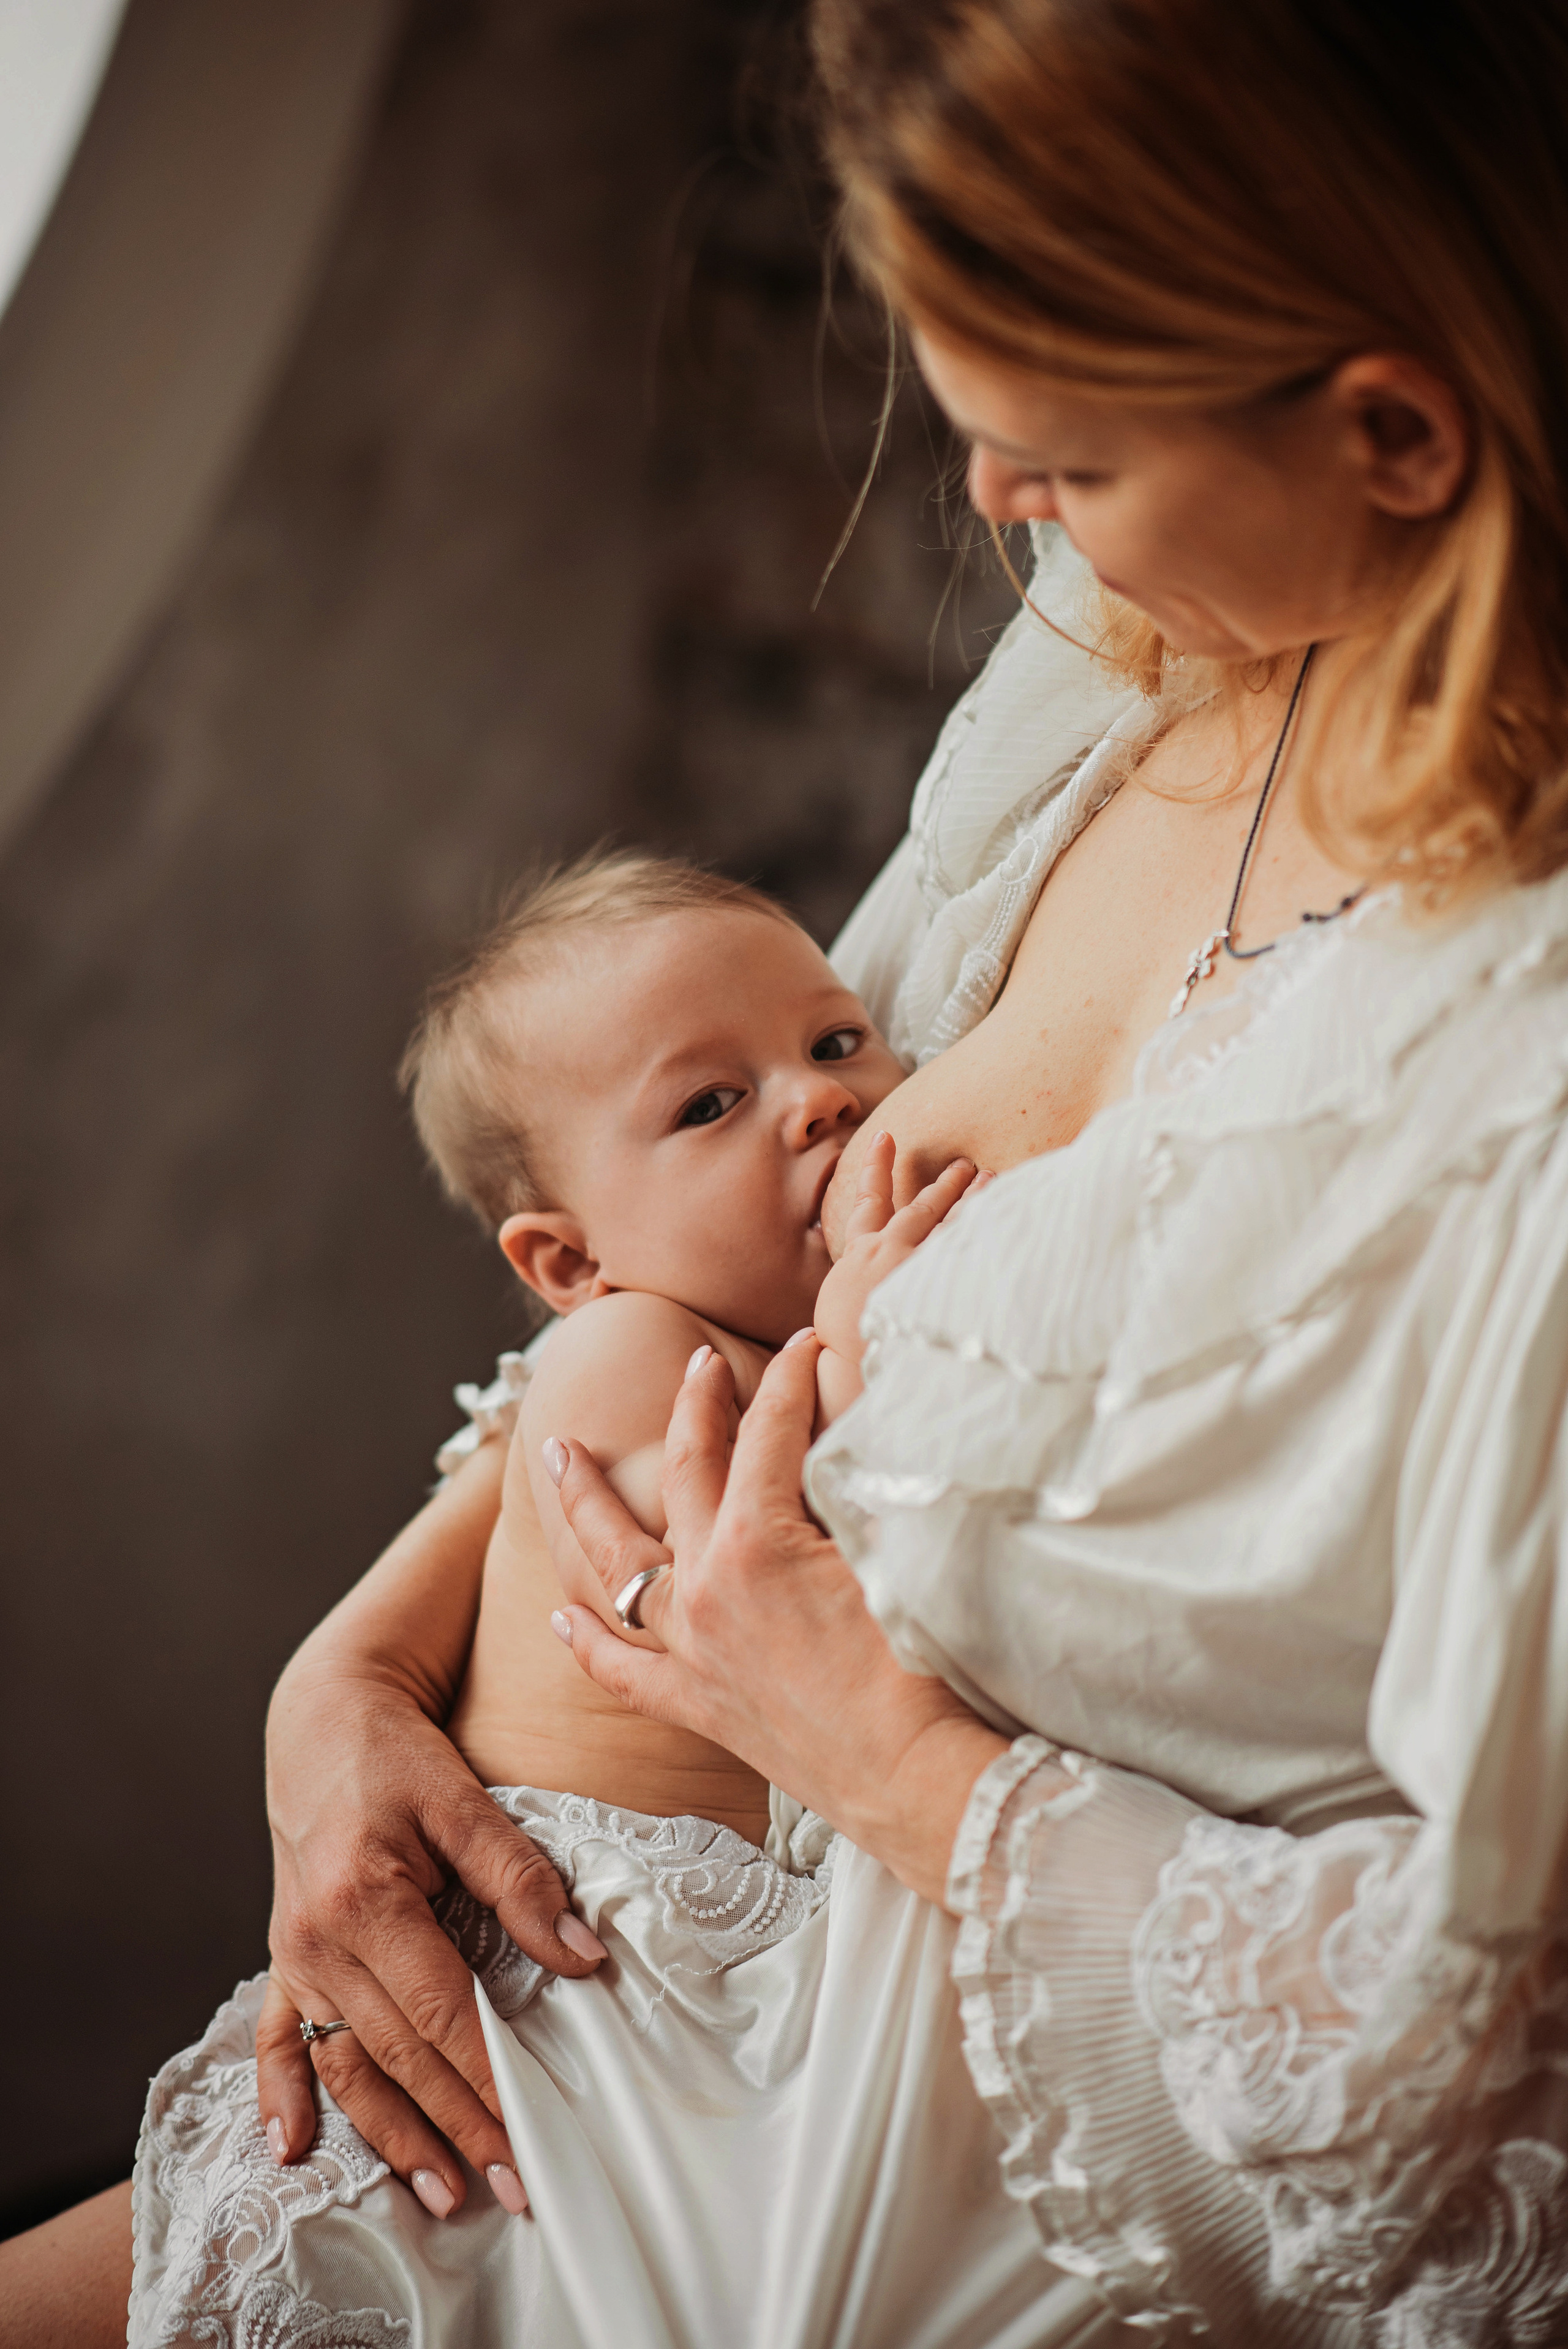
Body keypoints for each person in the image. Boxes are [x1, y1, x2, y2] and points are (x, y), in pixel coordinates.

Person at [10, 0, 1568, 2339]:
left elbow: (1446, 2081)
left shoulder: (1514, 1084)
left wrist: (876, 1748)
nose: (997, 512)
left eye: (1060, 454)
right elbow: (693, 1288)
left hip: (872, 2212)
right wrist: (357, 1671)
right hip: (590, 2025)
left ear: (1394, 430)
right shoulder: (1138, 644)